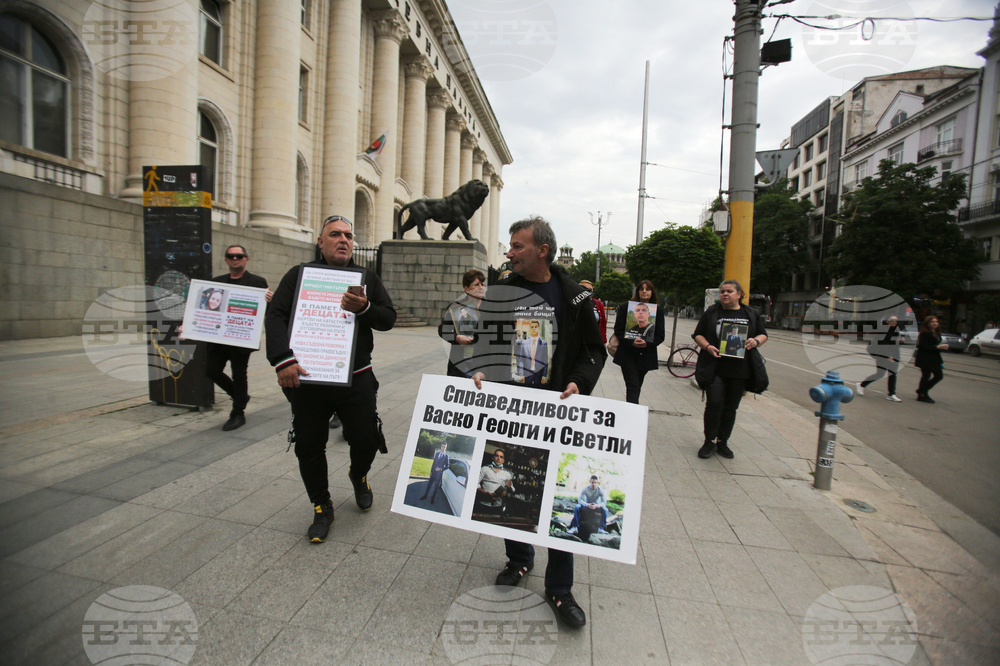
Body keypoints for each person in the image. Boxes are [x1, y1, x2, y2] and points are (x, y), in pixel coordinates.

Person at [470, 215, 606, 628]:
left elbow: (594, 351)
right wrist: (477, 370)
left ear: (542, 251)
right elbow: (484, 343)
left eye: (517, 246)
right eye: (510, 246)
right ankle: (519, 560)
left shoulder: (574, 297)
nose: (509, 252)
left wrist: (578, 383)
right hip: (511, 413)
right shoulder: (501, 290)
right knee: (515, 488)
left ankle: (560, 589)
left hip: (555, 413)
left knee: (553, 494)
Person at [265, 215, 396, 544]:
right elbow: (276, 314)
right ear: (320, 242)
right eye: (335, 234)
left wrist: (365, 309)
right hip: (310, 378)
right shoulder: (299, 275)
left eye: (349, 235)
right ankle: (322, 506)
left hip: (356, 376)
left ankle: (359, 474)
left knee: (365, 438)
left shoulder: (365, 277)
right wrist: (282, 360)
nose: (344, 240)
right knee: (309, 445)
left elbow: (388, 317)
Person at [693, 280, 768, 460]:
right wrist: (708, 346)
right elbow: (698, 334)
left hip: (740, 370)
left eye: (729, 291)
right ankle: (709, 440)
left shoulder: (750, 313)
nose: (725, 294)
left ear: (739, 294)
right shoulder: (712, 312)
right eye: (722, 292)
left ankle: (722, 441)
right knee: (714, 404)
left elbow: (763, 334)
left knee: (731, 408)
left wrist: (756, 341)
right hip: (716, 368)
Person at [205, 246, 272, 431]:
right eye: (231, 256)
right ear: (226, 260)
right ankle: (240, 396)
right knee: (211, 370)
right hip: (218, 338)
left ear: (246, 259)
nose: (235, 259)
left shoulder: (257, 282)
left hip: (241, 338)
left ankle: (237, 412)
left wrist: (269, 299)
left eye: (239, 256)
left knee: (239, 374)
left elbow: (267, 311)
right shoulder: (217, 282)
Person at [613, 281, 665, 404]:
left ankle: (631, 411)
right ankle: (632, 416)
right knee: (633, 386)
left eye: (647, 289)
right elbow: (618, 330)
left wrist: (647, 343)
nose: (644, 291)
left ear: (652, 292)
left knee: (637, 386)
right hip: (628, 355)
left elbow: (660, 335)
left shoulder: (658, 311)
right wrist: (631, 342)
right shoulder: (626, 308)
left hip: (645, 356)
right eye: (641, 289)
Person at [438, 269, 485, 377]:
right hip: (460, 361)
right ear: (466, 289)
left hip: (482, 362)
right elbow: (443, 330)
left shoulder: (490, 306)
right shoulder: (456, 307)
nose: (480, 287)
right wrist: (456, 338)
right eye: (476, 284)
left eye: (482, 284)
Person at [857, 315, 904, 402]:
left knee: (893, 374)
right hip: (883, 356)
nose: (894, 322)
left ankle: (891, 394)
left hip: (895, 356)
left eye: (896, 321)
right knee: (880, 374)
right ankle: (862, 385)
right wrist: (888, 356)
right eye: (892, 320)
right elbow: (881, 344)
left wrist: (899, 341)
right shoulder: (883, 330)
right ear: (888, 321)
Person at [914, 315, 948, 404]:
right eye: (932, 322)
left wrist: (940, 347)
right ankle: (922, 393)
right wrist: (938, 347)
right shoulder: (925, 333)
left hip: (933, 358)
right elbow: (923, 346)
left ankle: (922, 391)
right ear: (927, 324)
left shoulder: (936, 332)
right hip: (925, 358)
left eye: (936, 322)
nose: (935, 323)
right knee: (928, 375)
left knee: (937, 376)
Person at [513, 320, 549, 386]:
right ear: (529, 329)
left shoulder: (544, 344)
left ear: (539, 329)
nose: (534, 328)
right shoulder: (524, 343)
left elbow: (545, 360)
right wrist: (521, 374)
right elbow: (521, 360)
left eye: (536, 327)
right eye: (532, 327)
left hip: (539, 373)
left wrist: (544, 375)